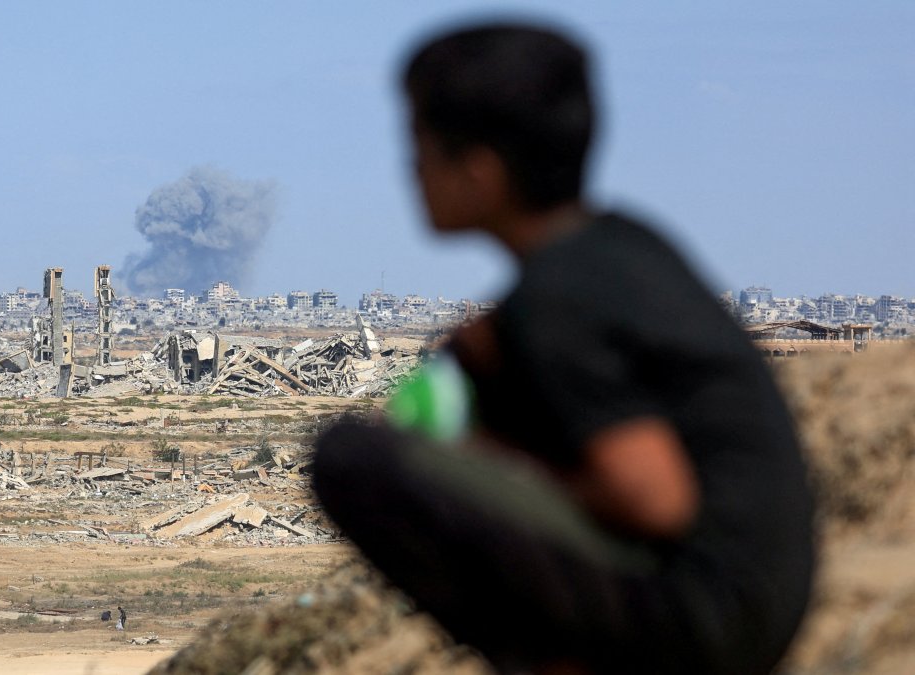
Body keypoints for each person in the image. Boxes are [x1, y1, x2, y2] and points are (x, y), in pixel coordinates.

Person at [312, 21, 814, 675]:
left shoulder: (559, 296)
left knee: (352, 460)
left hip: (701, 619)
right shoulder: (619, 245)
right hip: (754, 608)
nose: (409, 169)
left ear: (480, 171)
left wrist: (488, 457)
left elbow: (653, 498)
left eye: (422, 146)